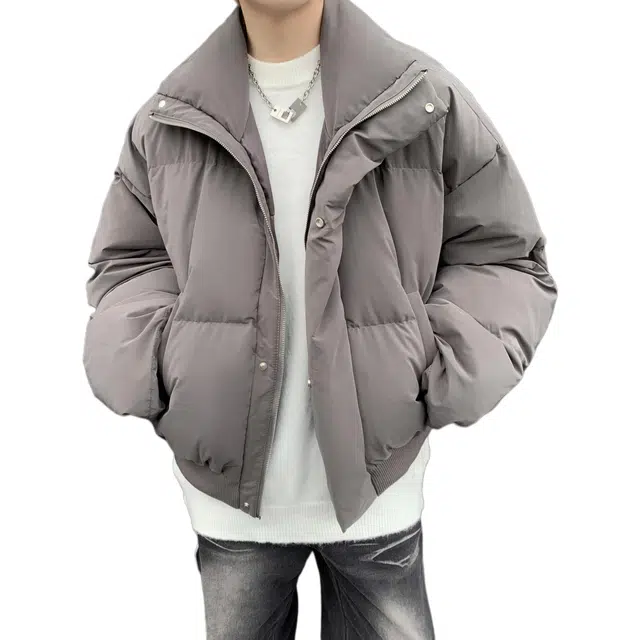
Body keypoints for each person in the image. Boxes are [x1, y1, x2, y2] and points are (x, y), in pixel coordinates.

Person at [82, 0, 558, 637]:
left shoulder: (420, 99)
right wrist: (159, 365)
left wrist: (438, 368)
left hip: (378, 485)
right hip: (227, 495)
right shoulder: (169, 118)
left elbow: (502, 253)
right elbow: (130, 263)